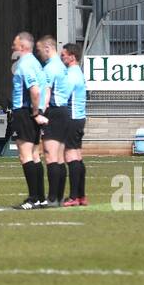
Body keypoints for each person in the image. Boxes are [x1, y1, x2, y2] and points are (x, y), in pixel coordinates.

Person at [9, 31, 47, 209]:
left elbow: (35, 90)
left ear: (23, 47)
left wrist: (35, 112)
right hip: (29, 113)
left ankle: (32, 199)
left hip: (23, 113)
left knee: (25, 156)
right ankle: (40, 197)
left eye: (15, 44)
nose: (12, 47)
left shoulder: (24, 65)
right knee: (35, 156)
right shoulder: (36, 63)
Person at [37, 34, 69, 206]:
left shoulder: (50, 68)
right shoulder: (62, 67)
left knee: (50, 157)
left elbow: (46, 92)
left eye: (40, 50)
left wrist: (40, 112)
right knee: (60, 157)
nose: (39, 54)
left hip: (54, 112)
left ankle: (52, 198)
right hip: (65, 112)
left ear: (48, 48)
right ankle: (59, 197)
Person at [59, 44, 89, 206]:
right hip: (79, 118)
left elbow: (64, 95)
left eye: (63, 55)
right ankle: (81, 196)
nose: (61, 57)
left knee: (70, 156)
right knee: (77, 156)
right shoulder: (78, 72)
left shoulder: (71, 74)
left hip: (72, 117)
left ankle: (73, 197)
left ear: (72, 57)